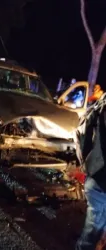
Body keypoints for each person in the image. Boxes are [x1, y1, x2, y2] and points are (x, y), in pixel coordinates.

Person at [74, 93, 106, 249]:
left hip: (97, 179)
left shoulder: (102, 104)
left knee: (97, 234)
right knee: (90, 238)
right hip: (101, 184)